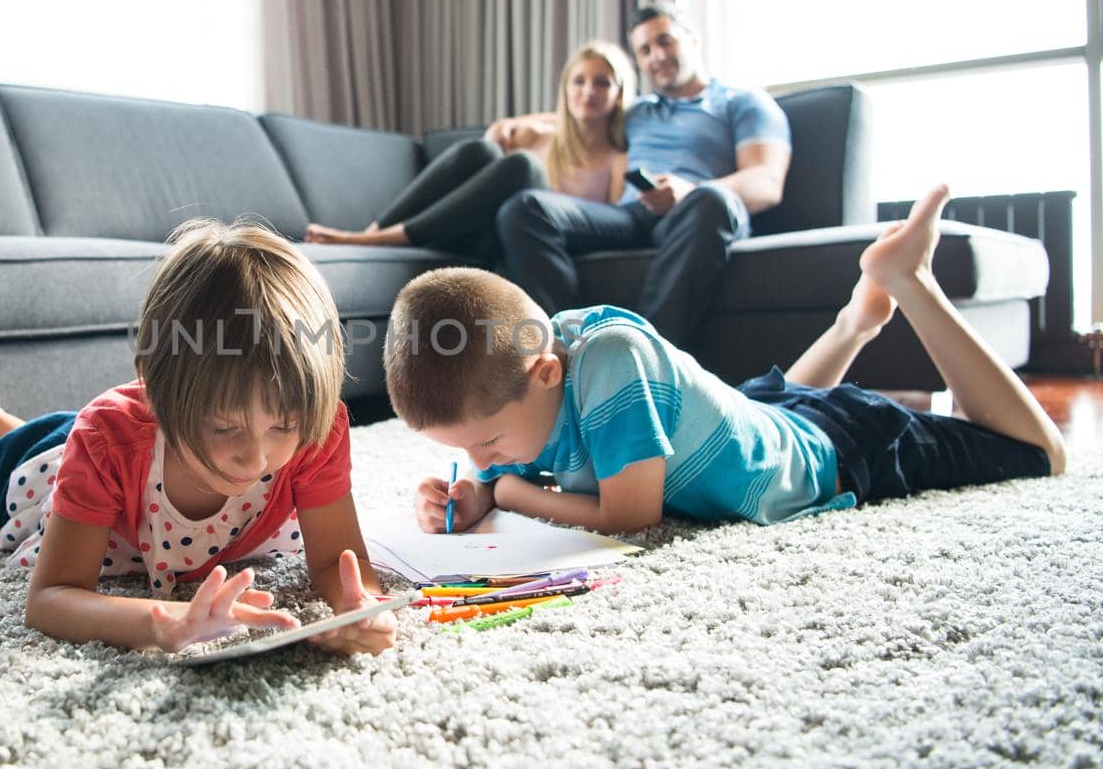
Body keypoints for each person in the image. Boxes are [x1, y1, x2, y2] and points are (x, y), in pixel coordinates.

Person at [0, 220, 399, 656]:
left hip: (96, 458)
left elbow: (337, 564)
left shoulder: (316, 425)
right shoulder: (109, 440)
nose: (257, 456)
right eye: (225, 428)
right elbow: (51, 600)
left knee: (72, 441)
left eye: (280, 427)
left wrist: (358, 607)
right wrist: (161, 623)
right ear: (154, 387)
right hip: (48, 470)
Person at [384, 184, 1066, 536]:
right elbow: (518, 453)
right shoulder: (527, 369)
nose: (483, 460)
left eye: (487, 444)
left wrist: (506, 494)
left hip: (837, 451)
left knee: (1038, 453)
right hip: (760, 418)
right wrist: (475, 493)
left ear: (548, 373)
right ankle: (853, 323)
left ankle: (911, 281)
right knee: (774, 413)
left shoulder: (614, 367)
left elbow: (631, 517)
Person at [495, 2, 792, 349]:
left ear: (693, 40)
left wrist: (689, 191)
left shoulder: (742, 103)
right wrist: (512, 125)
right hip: (631, 215)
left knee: (713, 201)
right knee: (525, 208)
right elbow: (575, 111)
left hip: (698, 212)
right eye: (645, 50)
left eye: (665, 42)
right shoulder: (636, 110)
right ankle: (572, 350)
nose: (656, 56)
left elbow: (767, 181)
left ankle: (646, 356)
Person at [302, 42, 634, 260]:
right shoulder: (539, 134)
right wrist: (525, 120)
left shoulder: (618, 159)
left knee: (523, 167)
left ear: (619, 93)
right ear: (565, 89)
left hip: (518, 242)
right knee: (481, 152)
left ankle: (376, 240)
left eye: (602, 83)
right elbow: (492, 139)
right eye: (579, 81)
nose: (588, 91)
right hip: (464, 229)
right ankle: (374, 233)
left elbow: (610, 223)